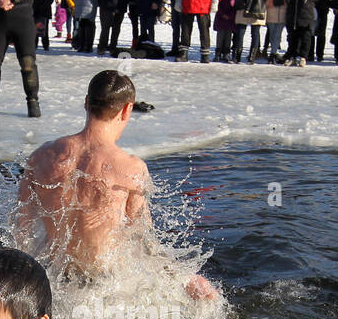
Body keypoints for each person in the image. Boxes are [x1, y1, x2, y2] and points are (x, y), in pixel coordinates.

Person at [15, 71, 216, 299]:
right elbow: (144, 239)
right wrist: (185, 277)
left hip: (56, 281)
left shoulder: (40, 156)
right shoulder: (130, 168)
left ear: (86, 103)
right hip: (104, 288)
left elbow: (21, 229)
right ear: (126, 109)